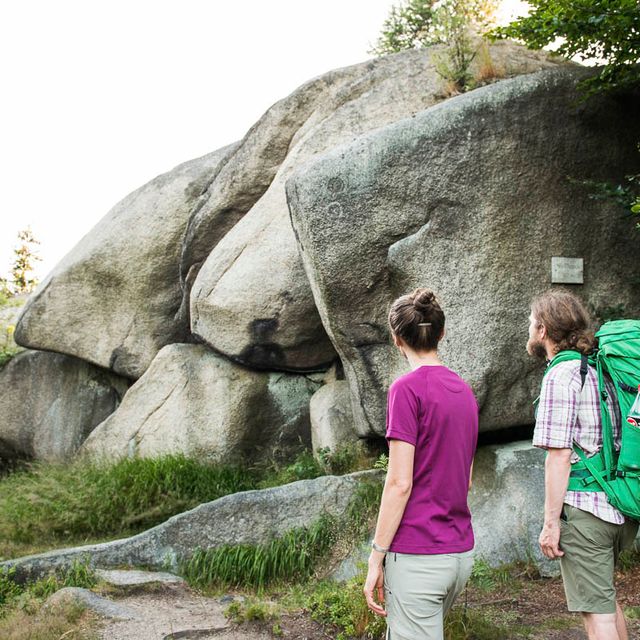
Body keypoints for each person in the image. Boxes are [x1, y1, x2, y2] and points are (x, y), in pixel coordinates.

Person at [363, 288, 479, 640]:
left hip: (417, 556)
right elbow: (466, 480)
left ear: (397, 339)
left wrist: (376, 556)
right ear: (441, 334)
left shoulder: (406, 389)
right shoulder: (464, 391)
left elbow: (400, 482)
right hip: (458, 555)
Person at [527, 289, 639, 640]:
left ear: (543, 331)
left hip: (586, 511)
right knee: (606, 603)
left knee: (597, 616)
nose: (528, 329)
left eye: (532, 323)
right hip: (621, 508)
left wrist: (550, 524)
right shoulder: (601, 368)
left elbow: (558, 456)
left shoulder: (562, 376)